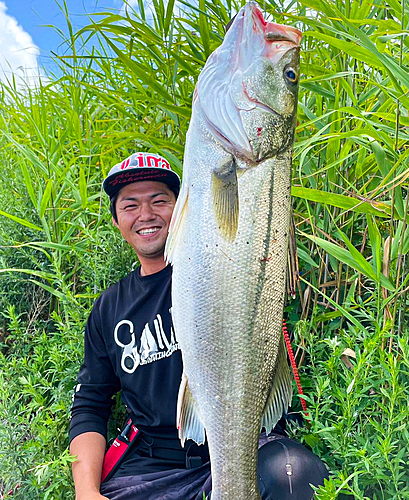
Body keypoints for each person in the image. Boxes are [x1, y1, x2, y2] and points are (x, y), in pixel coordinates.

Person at [69, 152, 328, 500]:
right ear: (116, 220)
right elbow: (90, 404)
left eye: (159, 200)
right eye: (130, 205)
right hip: (155, 467)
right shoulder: (109, 308)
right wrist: (86, 491)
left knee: (295, 474)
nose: (146, 215)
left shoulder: (220, 267)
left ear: (182, 208)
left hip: (245, 446)